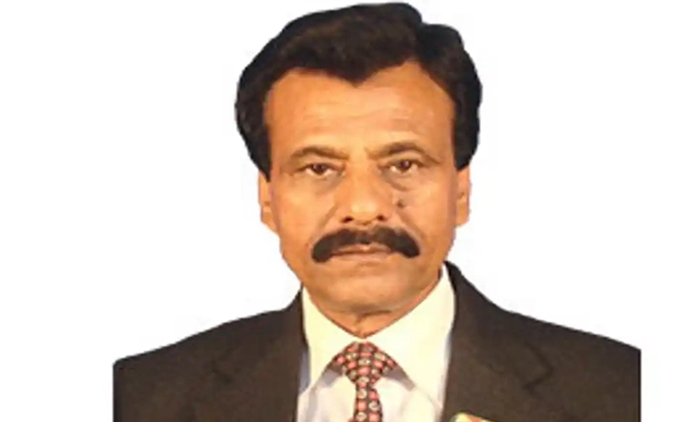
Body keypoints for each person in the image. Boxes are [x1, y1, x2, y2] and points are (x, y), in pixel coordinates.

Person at [113, 3, 639, 422]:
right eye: (319, 168)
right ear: (267, 199)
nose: (364, 208)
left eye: (403, 164)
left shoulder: (624, 393)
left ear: (460, 190)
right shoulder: (139, 398)